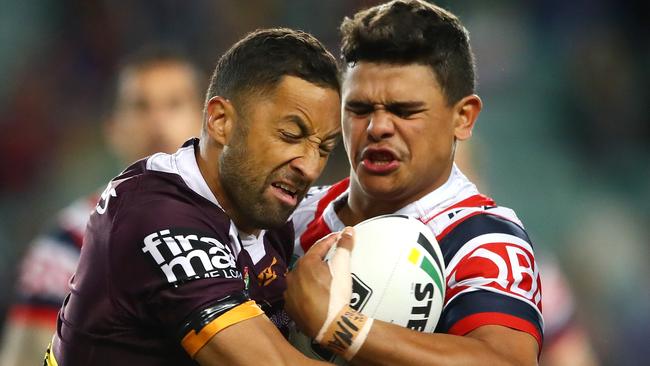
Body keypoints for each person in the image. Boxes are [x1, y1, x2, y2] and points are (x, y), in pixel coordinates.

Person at [44, 28, 343, 365]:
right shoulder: (155, 216)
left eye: (325, 148)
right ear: (220, 121)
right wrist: (348, 330)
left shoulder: (263, 205)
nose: (310, 166)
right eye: (290, 135)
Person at [286, 1, 542, 365]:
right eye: (358, 109)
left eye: (404, 111)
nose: (377, 128)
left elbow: (507, 360)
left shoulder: (481, 239)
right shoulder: (295, 214)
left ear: (463, 118)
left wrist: (341, 327)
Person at [0, 46, 204, 366]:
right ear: (113, 128)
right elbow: (24, 359)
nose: (157, 121)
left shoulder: (246, 226)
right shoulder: (68, 242)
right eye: (140, 106)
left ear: (207, 121)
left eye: (174, 104)